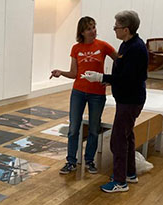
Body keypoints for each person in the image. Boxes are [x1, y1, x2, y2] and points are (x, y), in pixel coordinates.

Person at [81, 10, 148, 192]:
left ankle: (120, 182)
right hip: (126, 98)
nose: (114, 30)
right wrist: (102, 77)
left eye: (116, 27)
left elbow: (127, 78)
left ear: (126, 29)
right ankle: (129, 173)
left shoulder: (135, 48)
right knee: (127, 135)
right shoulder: (127, 45)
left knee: (118, 139)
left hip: (130, 100)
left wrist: (101, 77)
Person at [50, 16, 117, 174]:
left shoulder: (103, 46)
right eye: (89, 29)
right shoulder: (76, 48)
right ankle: (71, 161)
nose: (93, 31)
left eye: (94, 27)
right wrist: (61, 73)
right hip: (78, 93)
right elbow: (74, 73)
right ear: (82, 32)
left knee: (94, 128)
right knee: (74, 128)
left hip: (97, 94)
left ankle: (89, 161)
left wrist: (111, 79)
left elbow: (120, 59)